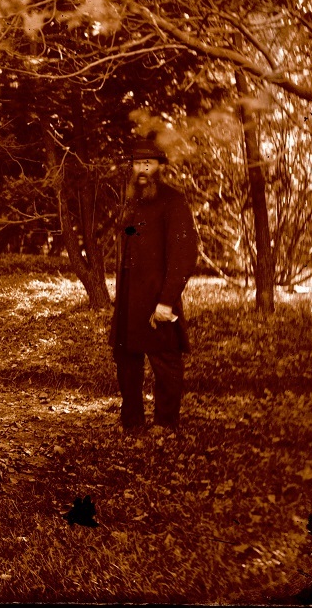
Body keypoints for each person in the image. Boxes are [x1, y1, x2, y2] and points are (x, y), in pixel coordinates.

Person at [112, 138, 199, 432]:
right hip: (129, 299)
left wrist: (166, 301)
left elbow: (184, 255)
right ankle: (132, 422)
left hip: (157, 297)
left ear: (160, 167)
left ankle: (166, 422)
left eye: (148, 163)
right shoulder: (132, 200)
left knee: (166, 363)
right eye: (138, 163)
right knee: (126, 360)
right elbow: (134, 236)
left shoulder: (174, 201)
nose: (142, 169)